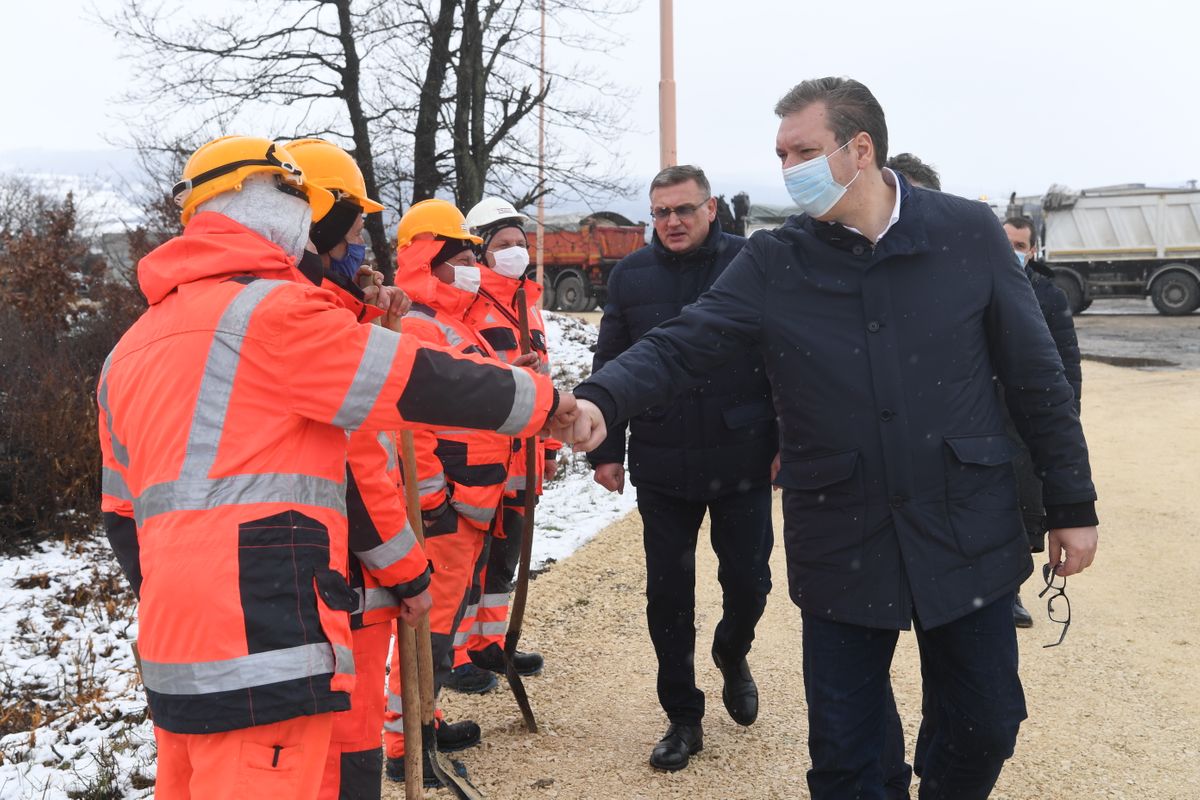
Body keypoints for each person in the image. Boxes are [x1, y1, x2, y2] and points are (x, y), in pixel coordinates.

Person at [568, 78, 1099, 799]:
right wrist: (603, 397)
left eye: (804, 151)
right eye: (780, 154)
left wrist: (1072, 502)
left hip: (963, 521)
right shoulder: (774, 261)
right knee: (847, 761)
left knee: (986, 725)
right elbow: (683, 344)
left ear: (860, 149)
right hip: (841, 531)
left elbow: (1037, 381)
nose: (789, 169)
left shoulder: (966, 234)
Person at [98, 136, 573, 800]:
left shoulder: (131, 347)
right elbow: (416, 382)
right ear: (282, 209)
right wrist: (547, 405)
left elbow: (123, 517)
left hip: (176, 652)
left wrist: (186, 595)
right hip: (268, 641)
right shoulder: (275, 314)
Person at [588, 165, 777, 772]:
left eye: (684, 210)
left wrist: (787, 441)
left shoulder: (750, 263)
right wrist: (605, 450)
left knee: (748, 582)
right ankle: (683, 715)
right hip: (663, 459)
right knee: (668, 596)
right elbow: (612, 359)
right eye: (661, 212)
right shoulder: (630, 276)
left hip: (742, 455)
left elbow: (784, 359)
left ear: (711, 208)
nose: (672, 222)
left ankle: (732, 649)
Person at [381, 199, 534, 785]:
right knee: (430, 632)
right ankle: (405, 747)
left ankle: (425, 718)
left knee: (441, 630)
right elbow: (412, 428)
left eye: (474, 254)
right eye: (463, 255)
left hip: (469, 505)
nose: (473, 264)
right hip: (444, 511)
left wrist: (508, 375)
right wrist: (432, 504)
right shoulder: (419, 323)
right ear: (431, 261)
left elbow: (463, 397)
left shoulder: (452, 319)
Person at [442, 196, 560, 692]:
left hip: (524, 455)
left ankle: (489, 642)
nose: (514, 252)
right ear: (481, 253)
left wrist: (549, 448)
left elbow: (545, 380)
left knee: (503, 558)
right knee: (468, 561)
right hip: (486, 455)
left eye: (519, 243)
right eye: (502, 245)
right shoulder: (471, 301)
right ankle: (456, 652)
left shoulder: (526, 301)